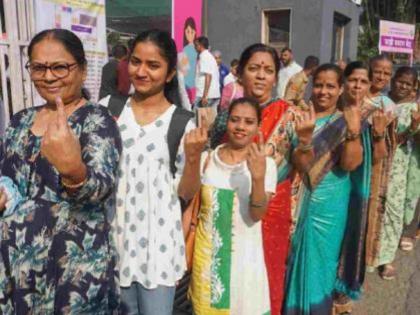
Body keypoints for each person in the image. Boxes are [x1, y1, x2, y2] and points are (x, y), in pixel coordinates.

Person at [0, 28, 121, 313]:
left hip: (72, 266)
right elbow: (7, 175)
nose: (49, 76)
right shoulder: (20, 121)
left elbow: (101, 188)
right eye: (39, 67)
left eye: (60, 67)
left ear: (81, 69)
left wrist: (73, 169)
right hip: (18, 263)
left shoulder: (95, 120)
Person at [102, 30, 206, 315]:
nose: (142, 71)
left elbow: (185, 193)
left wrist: (195, 157)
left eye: (153, 65)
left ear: (171, 73)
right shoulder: (108, 111)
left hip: (157, 249)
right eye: (136, 62)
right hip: (113, 243)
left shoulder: (182, 123)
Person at [211, 43, 295, 314]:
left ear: (275, 77)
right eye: (254, 68)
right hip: (230, 209)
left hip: (273, 208)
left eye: (268, 70)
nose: (261, 76)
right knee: (230, 278)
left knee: (266, 278)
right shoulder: (226, 116)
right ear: (240, 74)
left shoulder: (289, 114)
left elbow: (303, 165)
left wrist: (304, 143)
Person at [282, 64, 373, 315]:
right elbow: (300, 166)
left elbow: (350, 164)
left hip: (332, 205)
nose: (323, 91)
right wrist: (304, 139)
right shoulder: (298, 117)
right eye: (319, 84)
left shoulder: (347, 120)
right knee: (291, 264)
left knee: (322, 265)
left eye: (330, 86)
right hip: (299, 200)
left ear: (340, 88)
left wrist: (353, 132)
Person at [189, 97, 277, 314]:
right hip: (209, 267)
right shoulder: (207, 160)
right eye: (235, 120)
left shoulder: (266, 164)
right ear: (226, 122)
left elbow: (257, 215)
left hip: (246, 267)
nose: (240, 127)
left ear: (258, 126)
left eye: (249, 122)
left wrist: (257, 178)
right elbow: (187, 198)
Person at [377, 67, 420, 280]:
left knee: (393, 211)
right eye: (400, 81)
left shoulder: (414, 108)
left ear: (414, 88)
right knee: (374, 210)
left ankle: (387, 259)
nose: (402, 86)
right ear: (392, 81)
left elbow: (406, 139)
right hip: (376, 163)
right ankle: (369, 253)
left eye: (408, 84)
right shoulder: (380, 102)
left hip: (400, 167)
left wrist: (414, 126)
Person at [194, 36, 220, 122]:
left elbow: (208, 76)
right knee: (210, 122)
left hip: (205, 95)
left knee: (199, 121)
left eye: (196, 45)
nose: (194, 47)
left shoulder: (204, 56)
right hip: (213, 94)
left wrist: (204, 96)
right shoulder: (209, 56)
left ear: (200, 45)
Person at [182, 17, 198, 103]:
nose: (190, 34)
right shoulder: (185, 49)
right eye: (188, 32)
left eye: (192, 32)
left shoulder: (197, 49)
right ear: (184, 32)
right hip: (187, 83)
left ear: (195, 32)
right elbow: (184, 69)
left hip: (195, 83)